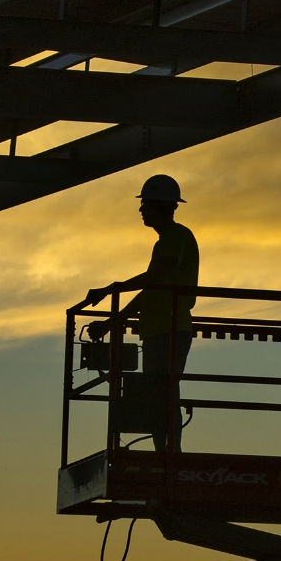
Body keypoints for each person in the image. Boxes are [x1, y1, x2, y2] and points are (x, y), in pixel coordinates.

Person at [85, 174, 199, 452]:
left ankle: (170, 457)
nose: (140, 210)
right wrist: (113, 322)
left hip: (170, 331)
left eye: (145, 204)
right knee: (158, 396)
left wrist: (111, 289)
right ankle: (166, 454)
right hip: (159, 331)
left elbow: (154, 279)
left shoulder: (175, 238)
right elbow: (151, 289)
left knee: (163, 395)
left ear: (162, 207)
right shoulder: (167, 241)